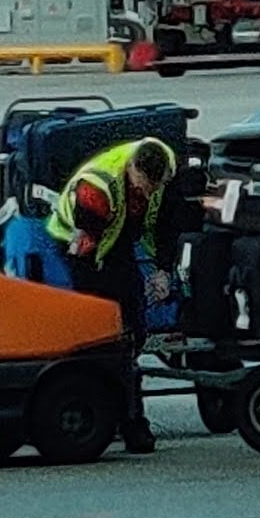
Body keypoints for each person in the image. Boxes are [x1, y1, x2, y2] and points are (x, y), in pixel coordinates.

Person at [49, 137, 175, 453]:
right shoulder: (96, 189)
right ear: (132, 169)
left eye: (153, 188)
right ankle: (120, 418)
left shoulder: (164, 168)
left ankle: (130, 412)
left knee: (133, 330)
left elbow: (164, 227)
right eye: (143, 186)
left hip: (118, 241)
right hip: (78, 246)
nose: (147, 193)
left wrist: (162, 270)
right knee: (101, 336)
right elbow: (87, 255)